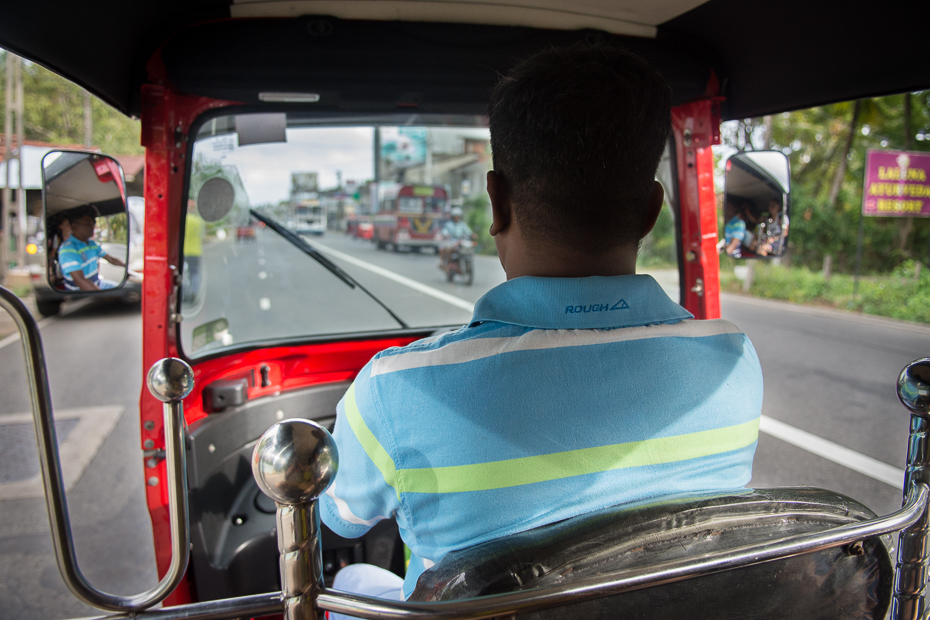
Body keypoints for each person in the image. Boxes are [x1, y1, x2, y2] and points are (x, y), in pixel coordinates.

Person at [321, 44, 763, 611]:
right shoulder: (733, 359)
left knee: (353, 581)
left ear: (496, 202)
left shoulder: (395, 388)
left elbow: (341, 513)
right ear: (653, 212)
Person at [58, 206, 125, 291]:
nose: (92, 226)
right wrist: (102, 296)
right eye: (87, 223)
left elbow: (111, 259)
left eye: (93, 223)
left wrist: (127, 267)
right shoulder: (68, 249)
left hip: (97, 284)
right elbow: (80, 281)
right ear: (74, 226)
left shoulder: (92, 244)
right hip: (80, 294)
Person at [183, 199, 204, 303]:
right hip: (195, 252)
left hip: (184, 251)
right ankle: (194, 292)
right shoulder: (198, 221)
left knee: (183, 274)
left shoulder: (183, 220)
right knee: (194, 273)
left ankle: (183, 294)